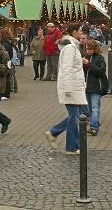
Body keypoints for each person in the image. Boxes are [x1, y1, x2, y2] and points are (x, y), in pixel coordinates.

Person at [44, 23, 87, 155]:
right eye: (80, 31)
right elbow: (67, 69)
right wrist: (68, 88)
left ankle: (67, 143)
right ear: (74, 32)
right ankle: (70, 145)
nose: (82, 33)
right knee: (75, 117)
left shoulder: (73, 47)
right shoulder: (70, 48)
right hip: (71, 88)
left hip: (75, 87)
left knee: (76, 116)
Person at [83, 39, 107, 136]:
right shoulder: (86, 57)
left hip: (97, 87)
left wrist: (88, 64)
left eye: (90, 49)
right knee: (90, 108)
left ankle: (94, 127)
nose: (88, 51)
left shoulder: (100, 58)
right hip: (87, 87)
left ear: (95, 49)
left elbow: (100, 71)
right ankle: (95, 122)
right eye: (87, 49)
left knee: (95, 107)